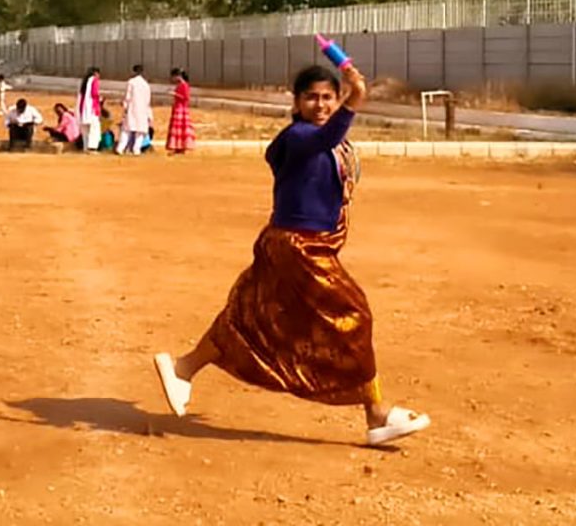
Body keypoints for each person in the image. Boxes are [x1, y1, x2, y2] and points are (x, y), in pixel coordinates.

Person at [150, 54, 430, 448]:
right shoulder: (298, 138)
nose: (321, 105)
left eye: (329, 97)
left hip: (292, 245)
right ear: (296, 102)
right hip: (298, 249)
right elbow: (324, 137)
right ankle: (377, 413)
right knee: (355, 314)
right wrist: (356, 97)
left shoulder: (332, 143)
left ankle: (183, 367)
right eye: (312, 98)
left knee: (252, 318)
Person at [120, 65, 155, 155]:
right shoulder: (145, 84)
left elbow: (127, 96)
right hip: (142, 110)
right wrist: (149, 114)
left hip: (132, 108)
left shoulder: (131, 82)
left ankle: (121, 148)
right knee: (140, 131)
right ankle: (136, 149)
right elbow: (148, 101)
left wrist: (125, 106)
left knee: (126, 129)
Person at [167, 69, 196, 155]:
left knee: (180, 128)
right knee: (178, 129)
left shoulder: (184, 85)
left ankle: (181, 147)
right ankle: (178, 147)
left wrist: (174, 94)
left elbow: (186, 97)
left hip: (181, 108)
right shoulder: (180, 85)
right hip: (178, 107)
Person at [77, 68, 105, 153]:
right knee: (94, 128)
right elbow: (94, 93)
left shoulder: (84, 82)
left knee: (85, 129)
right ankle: (92, 148)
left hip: (83, 108)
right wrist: (100, 99)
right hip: (91, 107)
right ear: (96, 73)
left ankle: (85, 147)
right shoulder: (94, 80)